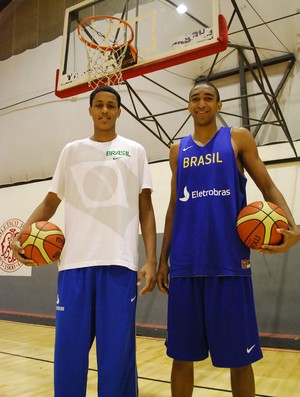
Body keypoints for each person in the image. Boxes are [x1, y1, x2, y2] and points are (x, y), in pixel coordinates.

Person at [11, 85, 157, 397]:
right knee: (69, 354)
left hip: (119, 265)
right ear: (90, 110)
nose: (105, 110)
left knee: (117, 356)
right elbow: (51, 201)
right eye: (99, 105)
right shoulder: (72, 151)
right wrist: (21, 235)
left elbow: (146, 207)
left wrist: (151, 259)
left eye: (111, 105)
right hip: (74, 266)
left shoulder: (134, 151)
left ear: (119, 111)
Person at [157, 81, 300, 397]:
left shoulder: (237, 138)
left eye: (209, 98)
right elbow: (172, 208)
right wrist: (163, 260)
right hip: (185, 265)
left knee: (240, 358)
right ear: (189, 106)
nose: (202, 103)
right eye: (195, 98)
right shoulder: (177, 150)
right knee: (181, 356)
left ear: (219, 105)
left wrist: (295, 228)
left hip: (229, 263)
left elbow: (269, 188)